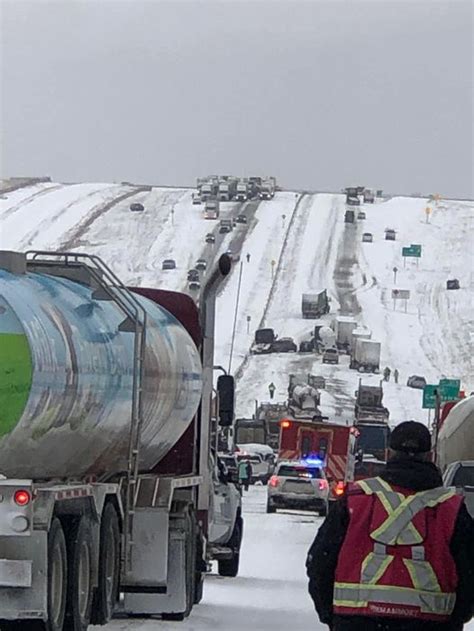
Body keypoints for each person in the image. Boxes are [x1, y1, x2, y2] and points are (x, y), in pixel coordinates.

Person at [306, 421, 474, 631]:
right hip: (430, 625)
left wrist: (333, 617)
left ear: (388, 453)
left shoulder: (355, 501)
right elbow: (469, 575)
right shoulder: (450, 509)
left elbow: (320, 563)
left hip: (356, 623)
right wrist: (455, 619)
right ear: (430, 456)